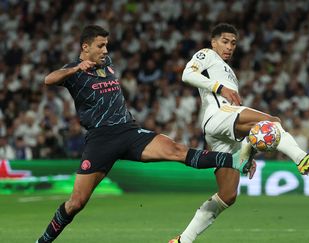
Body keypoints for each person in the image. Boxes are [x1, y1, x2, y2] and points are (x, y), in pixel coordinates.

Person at [35, 25, 255, 243]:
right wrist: (75, 69)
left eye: (106, 46)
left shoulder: (107, 64)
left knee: (177, 150)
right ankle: (43, 241)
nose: (105, 51)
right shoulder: (74, 71)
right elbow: (49, 79)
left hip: (129, 131)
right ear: (85, 47)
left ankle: (236, 160)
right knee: (76, 203)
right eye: (100, 46)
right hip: (101, 139)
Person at [169, 23, 309, 243]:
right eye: (225, 41)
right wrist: (219, 88)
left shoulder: (230, 73)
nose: (229, 47)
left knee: (228, 195)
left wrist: (247, 151)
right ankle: (301, 158)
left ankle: (183, 240)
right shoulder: (207, 54)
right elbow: (187, 74)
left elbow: (244, 126)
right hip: (218, 114)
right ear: (213, 42)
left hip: (220, 130)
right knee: (272, 122)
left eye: (233, 43)